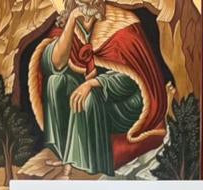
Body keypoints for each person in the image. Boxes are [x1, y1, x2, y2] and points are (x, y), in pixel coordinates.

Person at [27, 0, 168, 178]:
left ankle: (85, 167)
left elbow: (135, 79)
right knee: (56, 82)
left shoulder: (123, 24)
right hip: (94, 95)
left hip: (125, 103)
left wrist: (94, 83)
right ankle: (63, 153)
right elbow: (54, 64)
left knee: (89, 97)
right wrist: (71, 21)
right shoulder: (70, 22)